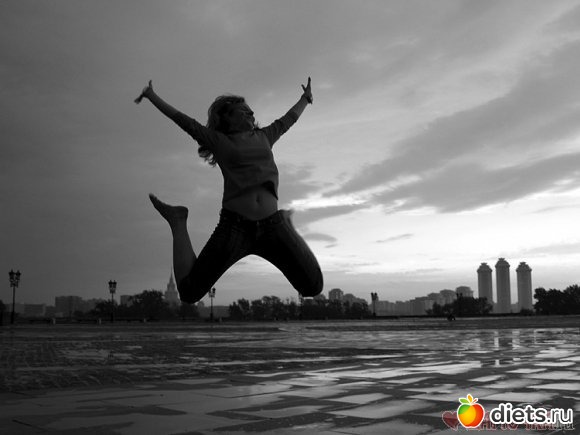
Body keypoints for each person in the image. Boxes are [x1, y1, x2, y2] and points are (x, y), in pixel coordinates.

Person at [135, 78, 323, 304]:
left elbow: (289, 118)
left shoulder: (265, 136)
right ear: (227, 118)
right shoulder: (218, 141)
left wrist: (305, 99)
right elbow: (183, 121)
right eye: (244, 111)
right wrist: (152, 96)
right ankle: (178, 221)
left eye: (250, 111)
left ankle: (287, 224)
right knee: (189, 292)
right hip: (235, 228)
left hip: (273, 226)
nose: (251, 113)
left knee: (313, 286)